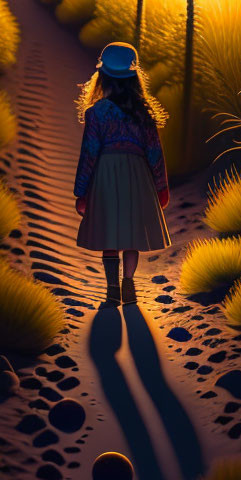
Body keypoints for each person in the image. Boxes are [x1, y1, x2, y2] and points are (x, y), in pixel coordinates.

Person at [73, 41, 171, 305]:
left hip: (105, 174)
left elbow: (90, 152)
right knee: (130, 234)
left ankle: (112, 289)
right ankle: (129, 284)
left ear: (102, 76)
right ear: (134, 78)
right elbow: (154, 151)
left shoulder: (96, 113)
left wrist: (81, 191)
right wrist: (161, 185)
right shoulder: (143, 113)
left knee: (109, 233)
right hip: (137, 175)